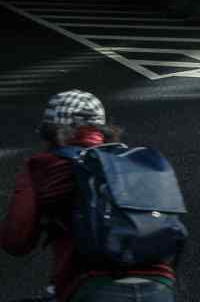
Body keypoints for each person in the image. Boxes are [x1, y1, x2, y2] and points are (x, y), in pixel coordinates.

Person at [2, 91, 177, 302]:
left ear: (55, 133)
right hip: (160, 288)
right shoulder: (135, 163)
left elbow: (16, 241)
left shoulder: (45, 166)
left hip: (93, 288)